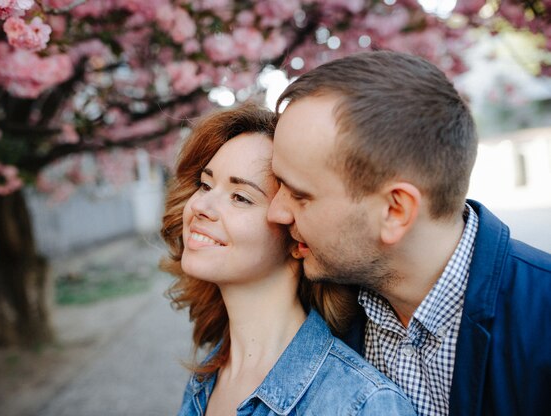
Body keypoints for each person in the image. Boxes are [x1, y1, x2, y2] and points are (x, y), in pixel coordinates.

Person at [267, 50, 551, 416]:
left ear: (395, 210)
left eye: (300, 195)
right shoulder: (311, 303)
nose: (276, 212)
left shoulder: (542, 322)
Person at [160, 102, 416, 415]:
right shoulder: (209, 376)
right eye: (205, 184)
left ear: (296, 234)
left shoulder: (363, 404)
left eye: (241, 197)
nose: (201, 206)